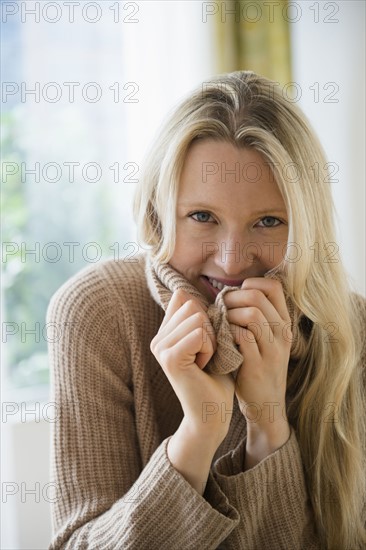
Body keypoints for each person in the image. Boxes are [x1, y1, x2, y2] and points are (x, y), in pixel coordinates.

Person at [47, 71, 365, 549]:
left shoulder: (351, 330)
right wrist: (197, 435)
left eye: (268, 222)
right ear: (158, 213)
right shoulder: (97, 314)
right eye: (202, 217)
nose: (232, 260)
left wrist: (266, 424)